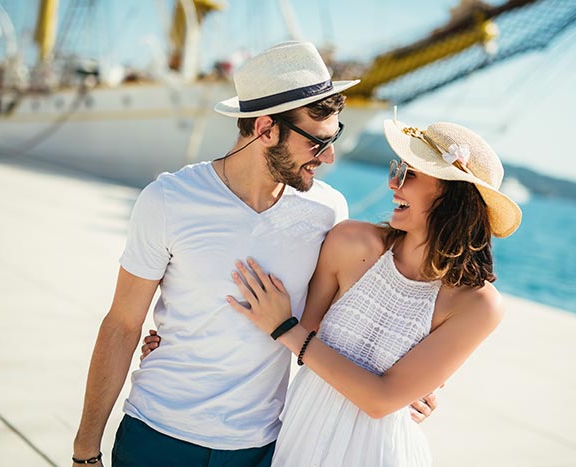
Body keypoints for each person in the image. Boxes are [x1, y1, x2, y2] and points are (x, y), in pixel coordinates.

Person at [72, 41, 434, 467]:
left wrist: (408, 384)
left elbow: (339, 326)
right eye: (318, 142)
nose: (329, 155)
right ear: (265, 129)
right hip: (157, 435)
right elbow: (122, 323)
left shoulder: (328, 211)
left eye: (334, 137)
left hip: (261, 449)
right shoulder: (169, 199)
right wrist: (84, 451)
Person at [217, 118, 522, 465]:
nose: (393, 183)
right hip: (301, 437)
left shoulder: (478, 305)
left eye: (410, 174)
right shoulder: (349, 241)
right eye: (398, 170)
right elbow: (308, 335)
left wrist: (285, 329)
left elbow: (381, 400)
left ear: (453, 196)